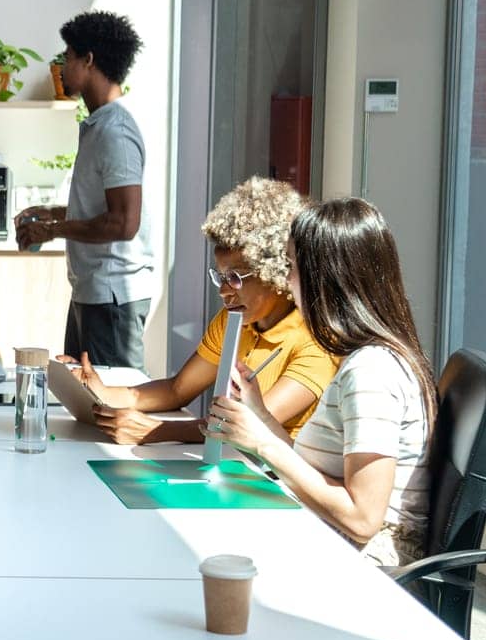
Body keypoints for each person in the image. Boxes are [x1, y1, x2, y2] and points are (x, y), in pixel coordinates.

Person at [207, 198, 437, 566]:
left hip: (364, 564)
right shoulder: (365, 359)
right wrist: (260, 414)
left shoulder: (371, 372)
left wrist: (263, 443)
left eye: (293, 268)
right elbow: (316, 471)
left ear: (323, 280)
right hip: (334, 543)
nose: (287, 280)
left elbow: (362, 520)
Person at [72, 177, 337, 445]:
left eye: (235, 277)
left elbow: (249, 422)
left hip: (276, 478)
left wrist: (156, 431)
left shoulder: (317, 339)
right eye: (220, 276)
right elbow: (177, 390)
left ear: (277, 272)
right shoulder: (234, 319)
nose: (223, 291)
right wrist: (101, 392)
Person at [14, 11, 154, 368]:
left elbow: (124, 222)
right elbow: (101, 209)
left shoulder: (115, 131)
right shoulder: (99, 126)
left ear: (89, 60)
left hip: (112, 299)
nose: (61, 66)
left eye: (68, 56)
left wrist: (52, 229)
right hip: (93, 293)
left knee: (110, 407)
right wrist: (52, 214)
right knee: (81, 399)